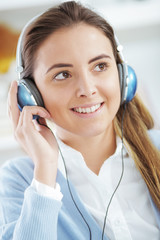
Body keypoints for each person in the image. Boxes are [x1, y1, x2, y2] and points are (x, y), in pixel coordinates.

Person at [0, 1, 160, 239]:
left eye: (100, 66)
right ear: (30, 94)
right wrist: (45, 173)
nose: (87, 89)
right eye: (63, 74)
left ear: (122, 75)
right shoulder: (20, 180)